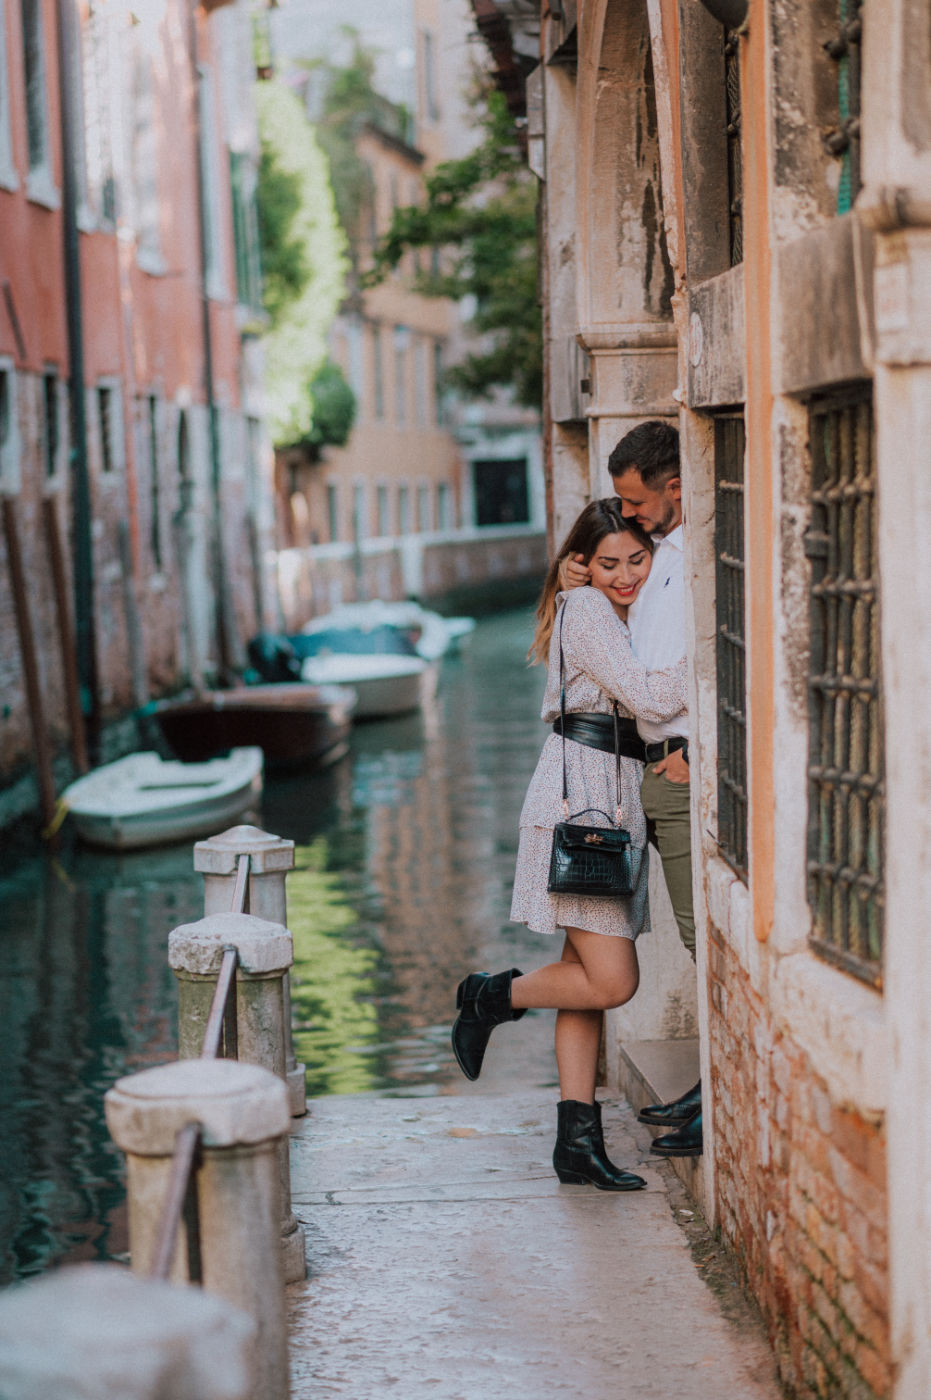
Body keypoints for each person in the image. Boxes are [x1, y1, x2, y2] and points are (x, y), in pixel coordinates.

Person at [450, 499, 687, 1190]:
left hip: (602, 799)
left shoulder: (623, 610)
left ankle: (574, 1144)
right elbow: (645, 696)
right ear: (585, 561)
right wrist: (710, 653)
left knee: (582, 988)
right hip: (578, 805)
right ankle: (491, 995)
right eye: (608, 562)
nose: (623, 575)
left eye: (635, 560)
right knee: (613, 981)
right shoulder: (584, 610)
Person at [565, 420, 701, 1158]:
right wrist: (580, 587)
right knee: (626, 954)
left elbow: (695, 664)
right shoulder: (622, 584)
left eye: (636, 508)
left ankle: (713, 1092)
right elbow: (638, 670)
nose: (628, 563)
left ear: (671, 488)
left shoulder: (682, 553)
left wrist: (694, 742)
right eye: (611, 556)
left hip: (665, 768)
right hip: (615, 782)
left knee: (687, 939)